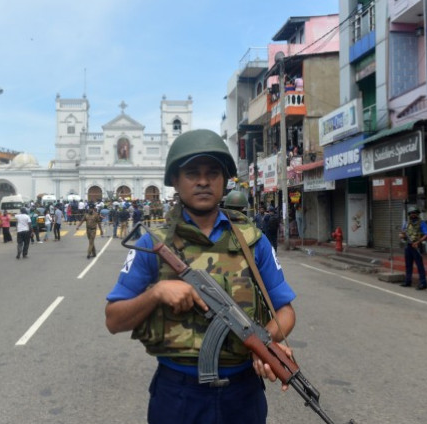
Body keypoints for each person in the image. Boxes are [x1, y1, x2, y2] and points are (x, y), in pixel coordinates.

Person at [105, 129, 296, 424]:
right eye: (193, 173)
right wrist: (156, 293)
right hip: (177, 393)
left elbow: (284, 310)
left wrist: (265, 344)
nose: (203, 181)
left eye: (212, 173)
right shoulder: (152, 244)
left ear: (224, 181)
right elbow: (114, 319)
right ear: (175, 182)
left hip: (242, 393)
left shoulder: (252, 240)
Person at [399, 206, 427, 290]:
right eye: (411, 213)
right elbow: (402, 233)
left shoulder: (422, 223)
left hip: (417, 246)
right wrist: (402, 236)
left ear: (417, 214)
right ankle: (408, 281)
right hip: (408, 245)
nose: (413, 214)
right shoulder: (406, 223)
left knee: (420, 265)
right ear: (409, 214)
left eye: (414, 213)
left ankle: (423, 283)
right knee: (408, 265)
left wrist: (418, 242)